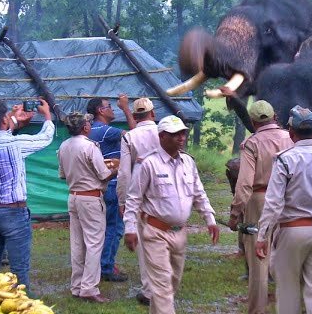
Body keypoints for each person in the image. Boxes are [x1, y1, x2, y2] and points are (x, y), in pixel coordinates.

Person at [255, 105, 312, 314]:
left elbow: (273, 202)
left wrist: (262, 235)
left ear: (291, 133)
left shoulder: (285, 159)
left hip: (292, 232)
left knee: (288, 296)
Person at [123, 115, 220, 314]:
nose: (181, 138)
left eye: (183, 133)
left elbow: (198, 193)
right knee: (162, 284)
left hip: (180, 234)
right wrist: (130, 229)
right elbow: (133, 199)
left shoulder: (188, 162)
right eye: (176, 134)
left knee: (171, 283)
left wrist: (210, 219)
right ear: (162, 137)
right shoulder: (148, 164)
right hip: (155, 232)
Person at [0, 99, 54, 291]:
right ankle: (23, 307)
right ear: (3, 119)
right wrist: (47, 115)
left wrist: (13, 119)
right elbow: (45, 138)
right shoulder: (16, 143)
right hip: (13, 213)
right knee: (19, 269)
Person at [228, 100, 294, 314]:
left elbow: (245, 183)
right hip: (288, 199)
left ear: (254, 122)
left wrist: (235, 213)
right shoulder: (290, 138)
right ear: (275, 117)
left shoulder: (252, 143)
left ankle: (257, 310)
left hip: (259, 200)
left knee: (259, 261)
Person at [58, 112, 117, 303]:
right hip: (91, 198)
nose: (90, 126)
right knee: (94, 244)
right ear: (85, 127)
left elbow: (63, 175)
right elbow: (103, 175)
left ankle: (77, 286)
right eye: (89, 123)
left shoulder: (64, 146)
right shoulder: (90, 147)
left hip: (73, 196)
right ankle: (89, 288)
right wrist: (117, 168)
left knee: (77, 243)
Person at [87, 94, 136, 282]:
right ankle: (106, 267)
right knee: (114, 228)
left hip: (99, 187)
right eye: (109, 106)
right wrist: (125, 108)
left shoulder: (90, 130)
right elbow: (135, 133)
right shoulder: (106, 131)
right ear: (100, 111)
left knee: (101, 229)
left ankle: (101, 264)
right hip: (113, 186)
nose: (112, 109)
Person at [116, 97, 158, 305]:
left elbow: (124, 173)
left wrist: (122, 200)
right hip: (164, 193)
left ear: (134, 116)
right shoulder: (165, 133)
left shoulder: (129, 137)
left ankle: (149, 291)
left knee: (144, 242)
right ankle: (164, 285)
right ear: (154, 114)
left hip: (142, 193)